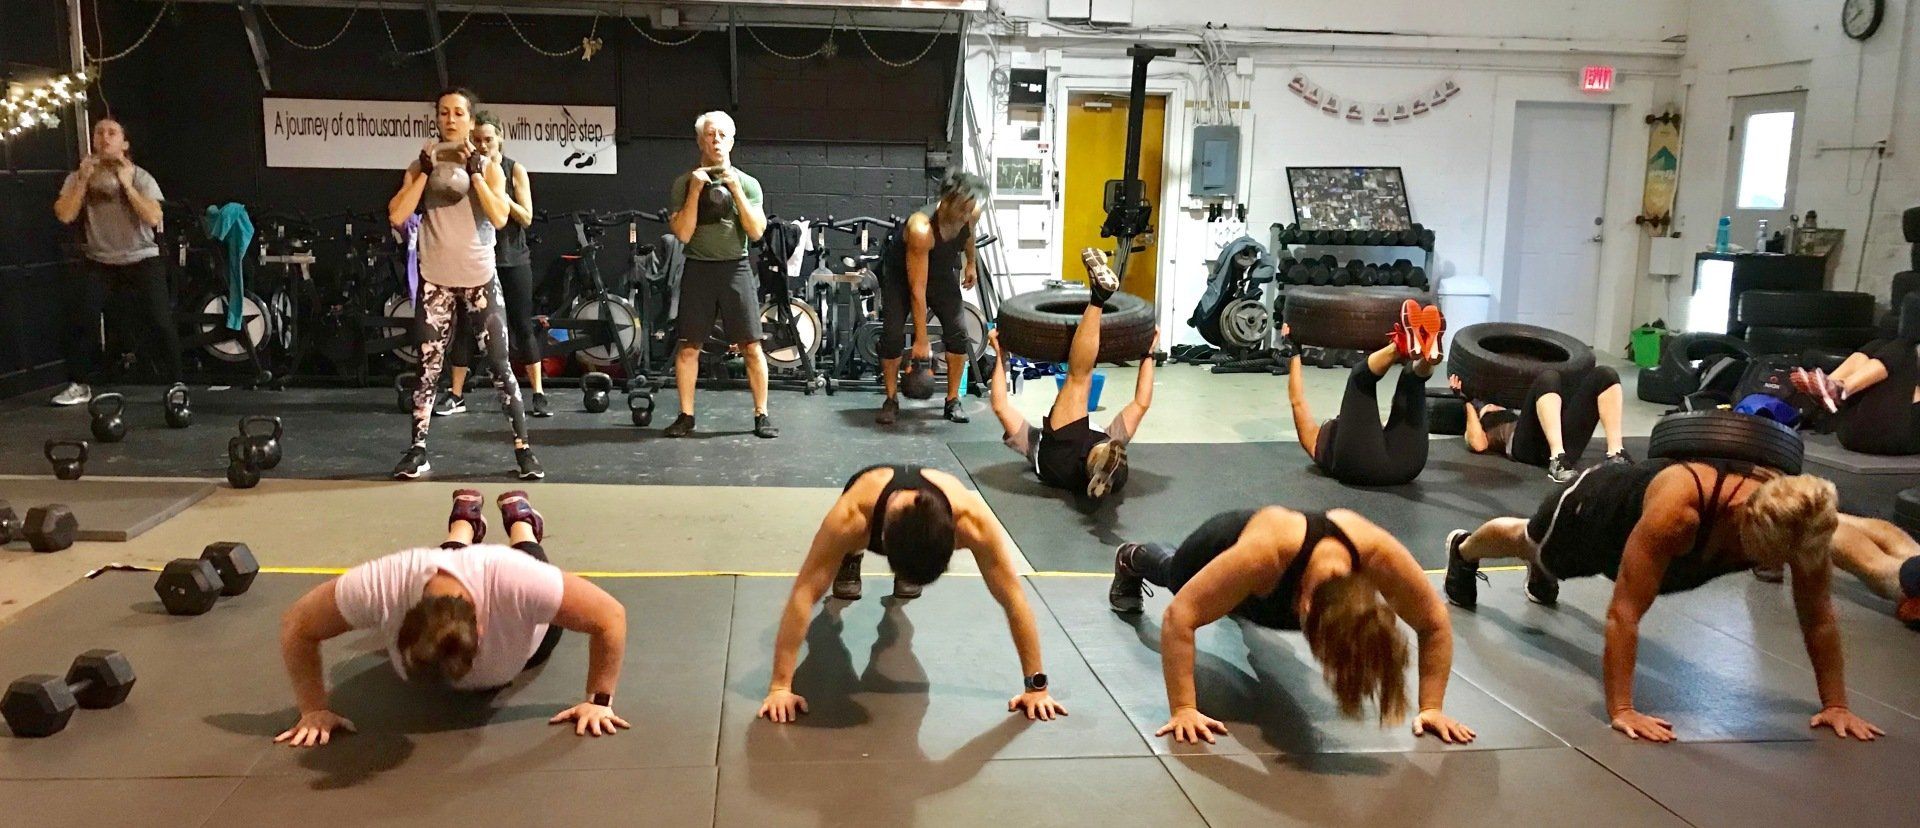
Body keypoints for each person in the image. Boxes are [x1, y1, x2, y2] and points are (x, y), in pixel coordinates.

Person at [1443, 462, 1885, 743]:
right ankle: (1463, 549)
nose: (1783, 568)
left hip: (1664, 547)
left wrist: (1836, 704)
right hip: (1597, 509)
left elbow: (1818, 617)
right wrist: (1622, 709)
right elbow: (1623, 613)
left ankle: (1544, 569)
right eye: (1775, 559)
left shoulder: (1798, 527)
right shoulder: (1678, 514)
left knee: (1553, 564)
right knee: (1529, 543)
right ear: (1747, 527)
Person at [275, 490, 629, 746]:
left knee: (529, 554)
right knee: (444, 562)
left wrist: (598, 702)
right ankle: (464, 524)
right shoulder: (383, 584)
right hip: (455, 578)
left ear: (482, 627)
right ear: (402, 619)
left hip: (527, 635)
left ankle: (521, 520)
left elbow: (610, 616)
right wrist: (312, 710)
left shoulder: (518, 580)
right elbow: (297, 625)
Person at [1107, 506, 1477, 745]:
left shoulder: (1376, 554)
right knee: (1174, 575)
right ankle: (1132, 557)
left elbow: (1434, 622)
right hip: (1221, 548)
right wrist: (1184, 708)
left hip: (1275, 582)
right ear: (1303, 607)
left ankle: (1234, 601)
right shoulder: (1263, 555)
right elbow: (1178, 618)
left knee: (1246, 615)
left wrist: (1431, 707)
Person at [756, 464, 1068, 724]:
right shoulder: (852, 518)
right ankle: (850, 555)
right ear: (883, 542)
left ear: (953, 540)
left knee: (895, 640)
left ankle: (903, 571)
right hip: (869, 505)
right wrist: (780, 687)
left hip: (919, 522)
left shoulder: (972, 521)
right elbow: (803, 593)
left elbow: (1013, 597)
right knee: (827, 645)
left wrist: (1036, 687)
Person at [387, 88, 540, 481]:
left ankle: (523, 449)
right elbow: (398, 214)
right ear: (437, 119)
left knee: (500, 366)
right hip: (436, 280)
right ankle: (417, 451)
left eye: (458, 113)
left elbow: (501, 217)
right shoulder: (420, 165)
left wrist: (474, 172)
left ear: (471, 121)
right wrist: (425, 170)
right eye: (444, 113)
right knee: (427, 369)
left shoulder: (489, 167)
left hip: (478, 279)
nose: (450, 119)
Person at [987, 248, 1153, 503]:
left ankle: (1099, 464)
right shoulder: (1033, 444)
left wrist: (1000, 354)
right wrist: (1147, 353)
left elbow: (1142, 404)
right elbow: (1000, 406)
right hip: (1064, 456)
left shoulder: (1034, 444)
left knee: (1079, 379)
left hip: (1061, 455)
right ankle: (1100, 465)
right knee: (1078, 378)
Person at [50, 117, 187, 409]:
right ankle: (79, 384)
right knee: (82, 319)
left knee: (160, 320)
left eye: (112, 133)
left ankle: (177, 384)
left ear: (124, 143)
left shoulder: (140, 177)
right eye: (99, 132)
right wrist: (83, 181)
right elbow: (65, 214)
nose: (104, 138)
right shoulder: (79, 176)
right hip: (100, 258)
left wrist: (127, 185)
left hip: (141, 256)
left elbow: (153, 217)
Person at [663, 110, 776, 439]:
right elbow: (683, 234)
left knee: (751, 346)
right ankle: (686, 416)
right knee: (689, 347)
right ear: (700, 141)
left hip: (735, 268)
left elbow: (756, 232)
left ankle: (762, 415)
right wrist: (696, 191)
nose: (716, 140)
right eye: (710, 134)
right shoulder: (684, 183)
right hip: (698, 268)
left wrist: (735, 189)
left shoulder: (749, 183)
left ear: (732, 141)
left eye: (723, 135)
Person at [437, 116, 549, 418]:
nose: (483, 144)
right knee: (465, 327)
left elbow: (526, 217)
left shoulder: (513, 170)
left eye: (488, 139)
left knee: (522, 325)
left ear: (500, 139)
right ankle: (456, 395)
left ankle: (538, 394)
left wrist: (498, 195)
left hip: (513, 260)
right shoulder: (466, 171)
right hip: (477, 260)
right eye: (478, 139)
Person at [1287, 301, 1445, 486]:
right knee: (1360, 380)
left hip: (1402, 466)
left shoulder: (1318, 444)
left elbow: (1297, 401)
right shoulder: (1317, 441)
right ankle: (1403, 346)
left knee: (1409, 380)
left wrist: (1294, 351)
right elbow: (1296, 401)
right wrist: (1295, 352)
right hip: (1386, 465)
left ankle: (1424, 352)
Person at [874, 171, 988, 425]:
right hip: (900, 277)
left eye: (969, 209)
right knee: (892, 336)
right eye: (961, 209)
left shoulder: (971, 212)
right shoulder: (921, 228)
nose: (966, 215)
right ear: (945, 201)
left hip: (940, 271)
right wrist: (921, 340)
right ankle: (891, 399)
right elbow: (917, 289)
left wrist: (970, 262)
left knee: (958, 333)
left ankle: (952, 400)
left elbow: (969, 233)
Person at [1456, 362, 1630, 483]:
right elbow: (1478, 444)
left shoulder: (1511, 406)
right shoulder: (1478, 420)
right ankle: (1557, 460)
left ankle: (1616, 455)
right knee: (1548, 377)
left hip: (1562, 441)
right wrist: (1466, 401)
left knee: (1605, 374)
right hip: (1526, 448)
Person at [1792, 342, 1920, 455]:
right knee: (1878, 345)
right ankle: (1830, 386)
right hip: (1856, 428)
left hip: (1894, 433)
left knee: (1904, 349)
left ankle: (1839, 389)